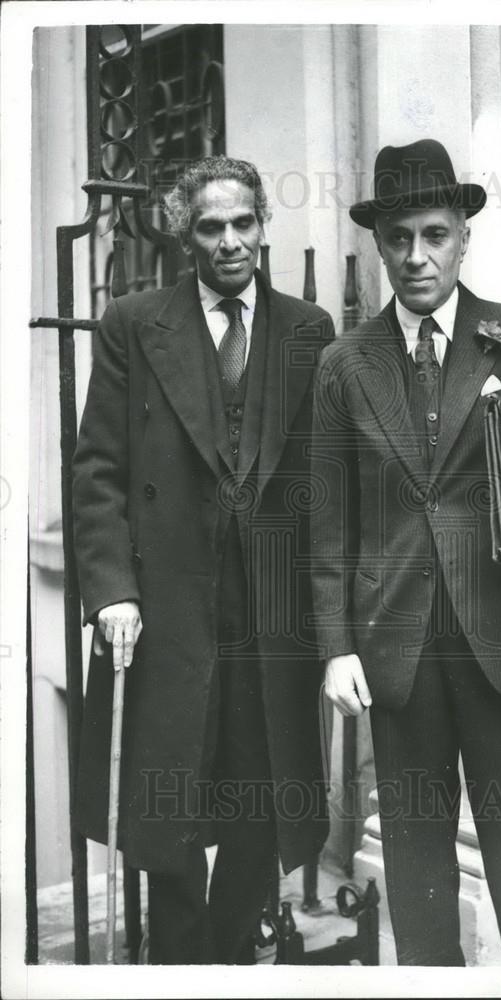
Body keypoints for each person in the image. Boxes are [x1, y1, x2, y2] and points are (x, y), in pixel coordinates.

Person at [310, 138, 501, 967]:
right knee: (419, 880)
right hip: (399, 654)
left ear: (463, 237)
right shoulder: (344, 366)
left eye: (434, 234)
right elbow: (328, 525)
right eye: (399, 237)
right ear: (379, 243)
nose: (417, 257)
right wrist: (335, 648)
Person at [72, 155, 333, 964]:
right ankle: (179, 961)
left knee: (264, 783)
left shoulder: (308, 330)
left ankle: (232, 953)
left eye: (243, 224)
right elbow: (99, 469)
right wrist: (111, 589)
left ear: (264, 227)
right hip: (166, 600)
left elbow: (324, 477)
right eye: (211, 227)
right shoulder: (134, 324)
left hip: (268, 600)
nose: (229, 243)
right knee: (166, 791)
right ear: (188, 236)